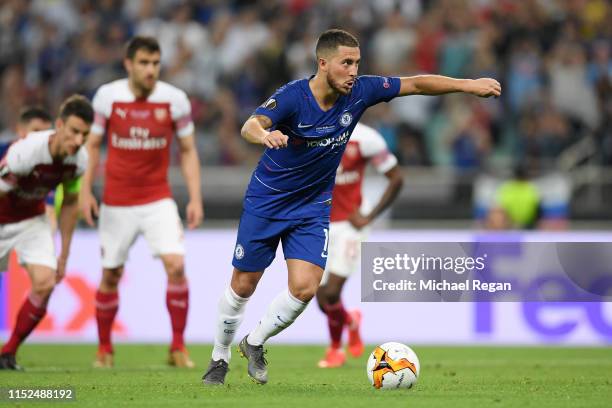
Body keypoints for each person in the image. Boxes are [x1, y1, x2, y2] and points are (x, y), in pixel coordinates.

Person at [201, 28, 501, 385]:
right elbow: (250, 125)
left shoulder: (361, 91)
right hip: (268, 201)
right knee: (244, 284)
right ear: (323, 63)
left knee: (306, 288)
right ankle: (219, 357)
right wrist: (266, 136)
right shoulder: (293, 97)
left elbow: (417, 84)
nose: (354, 70)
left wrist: (468, 86)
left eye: (357, 62)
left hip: (312, 206)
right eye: (346, 63)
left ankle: (254, 341)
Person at [80, 36, 203, 368]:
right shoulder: (108, 96)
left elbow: (188, 150)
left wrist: (195, 197)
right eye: (144, 63)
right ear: (128, 64)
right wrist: (85, 189)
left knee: (176, 266)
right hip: (116, 201)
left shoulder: (174, 100)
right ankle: (104, 350)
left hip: (157, 198)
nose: (151, 70)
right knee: (111, 274)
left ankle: (178, 347)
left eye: (155, 63)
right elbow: (92, 146)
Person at [0, 95, 93, 370]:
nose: (78, 141)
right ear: (59, 125)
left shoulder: (80, 160)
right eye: (74, 131)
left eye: (84, 135)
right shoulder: (25, 152)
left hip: (32, 219)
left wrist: (64, 253)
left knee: (45, 282)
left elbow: (72, 203)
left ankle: (8, 353)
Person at [315, 122, 403, 368]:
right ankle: (351, 320)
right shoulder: (310, 130)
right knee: (321, 299)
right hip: (317, 224)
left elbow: (396, 178)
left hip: (351, 227)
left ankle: (334, 350)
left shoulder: (366, 138)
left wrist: (370, 216)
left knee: (332, 292)